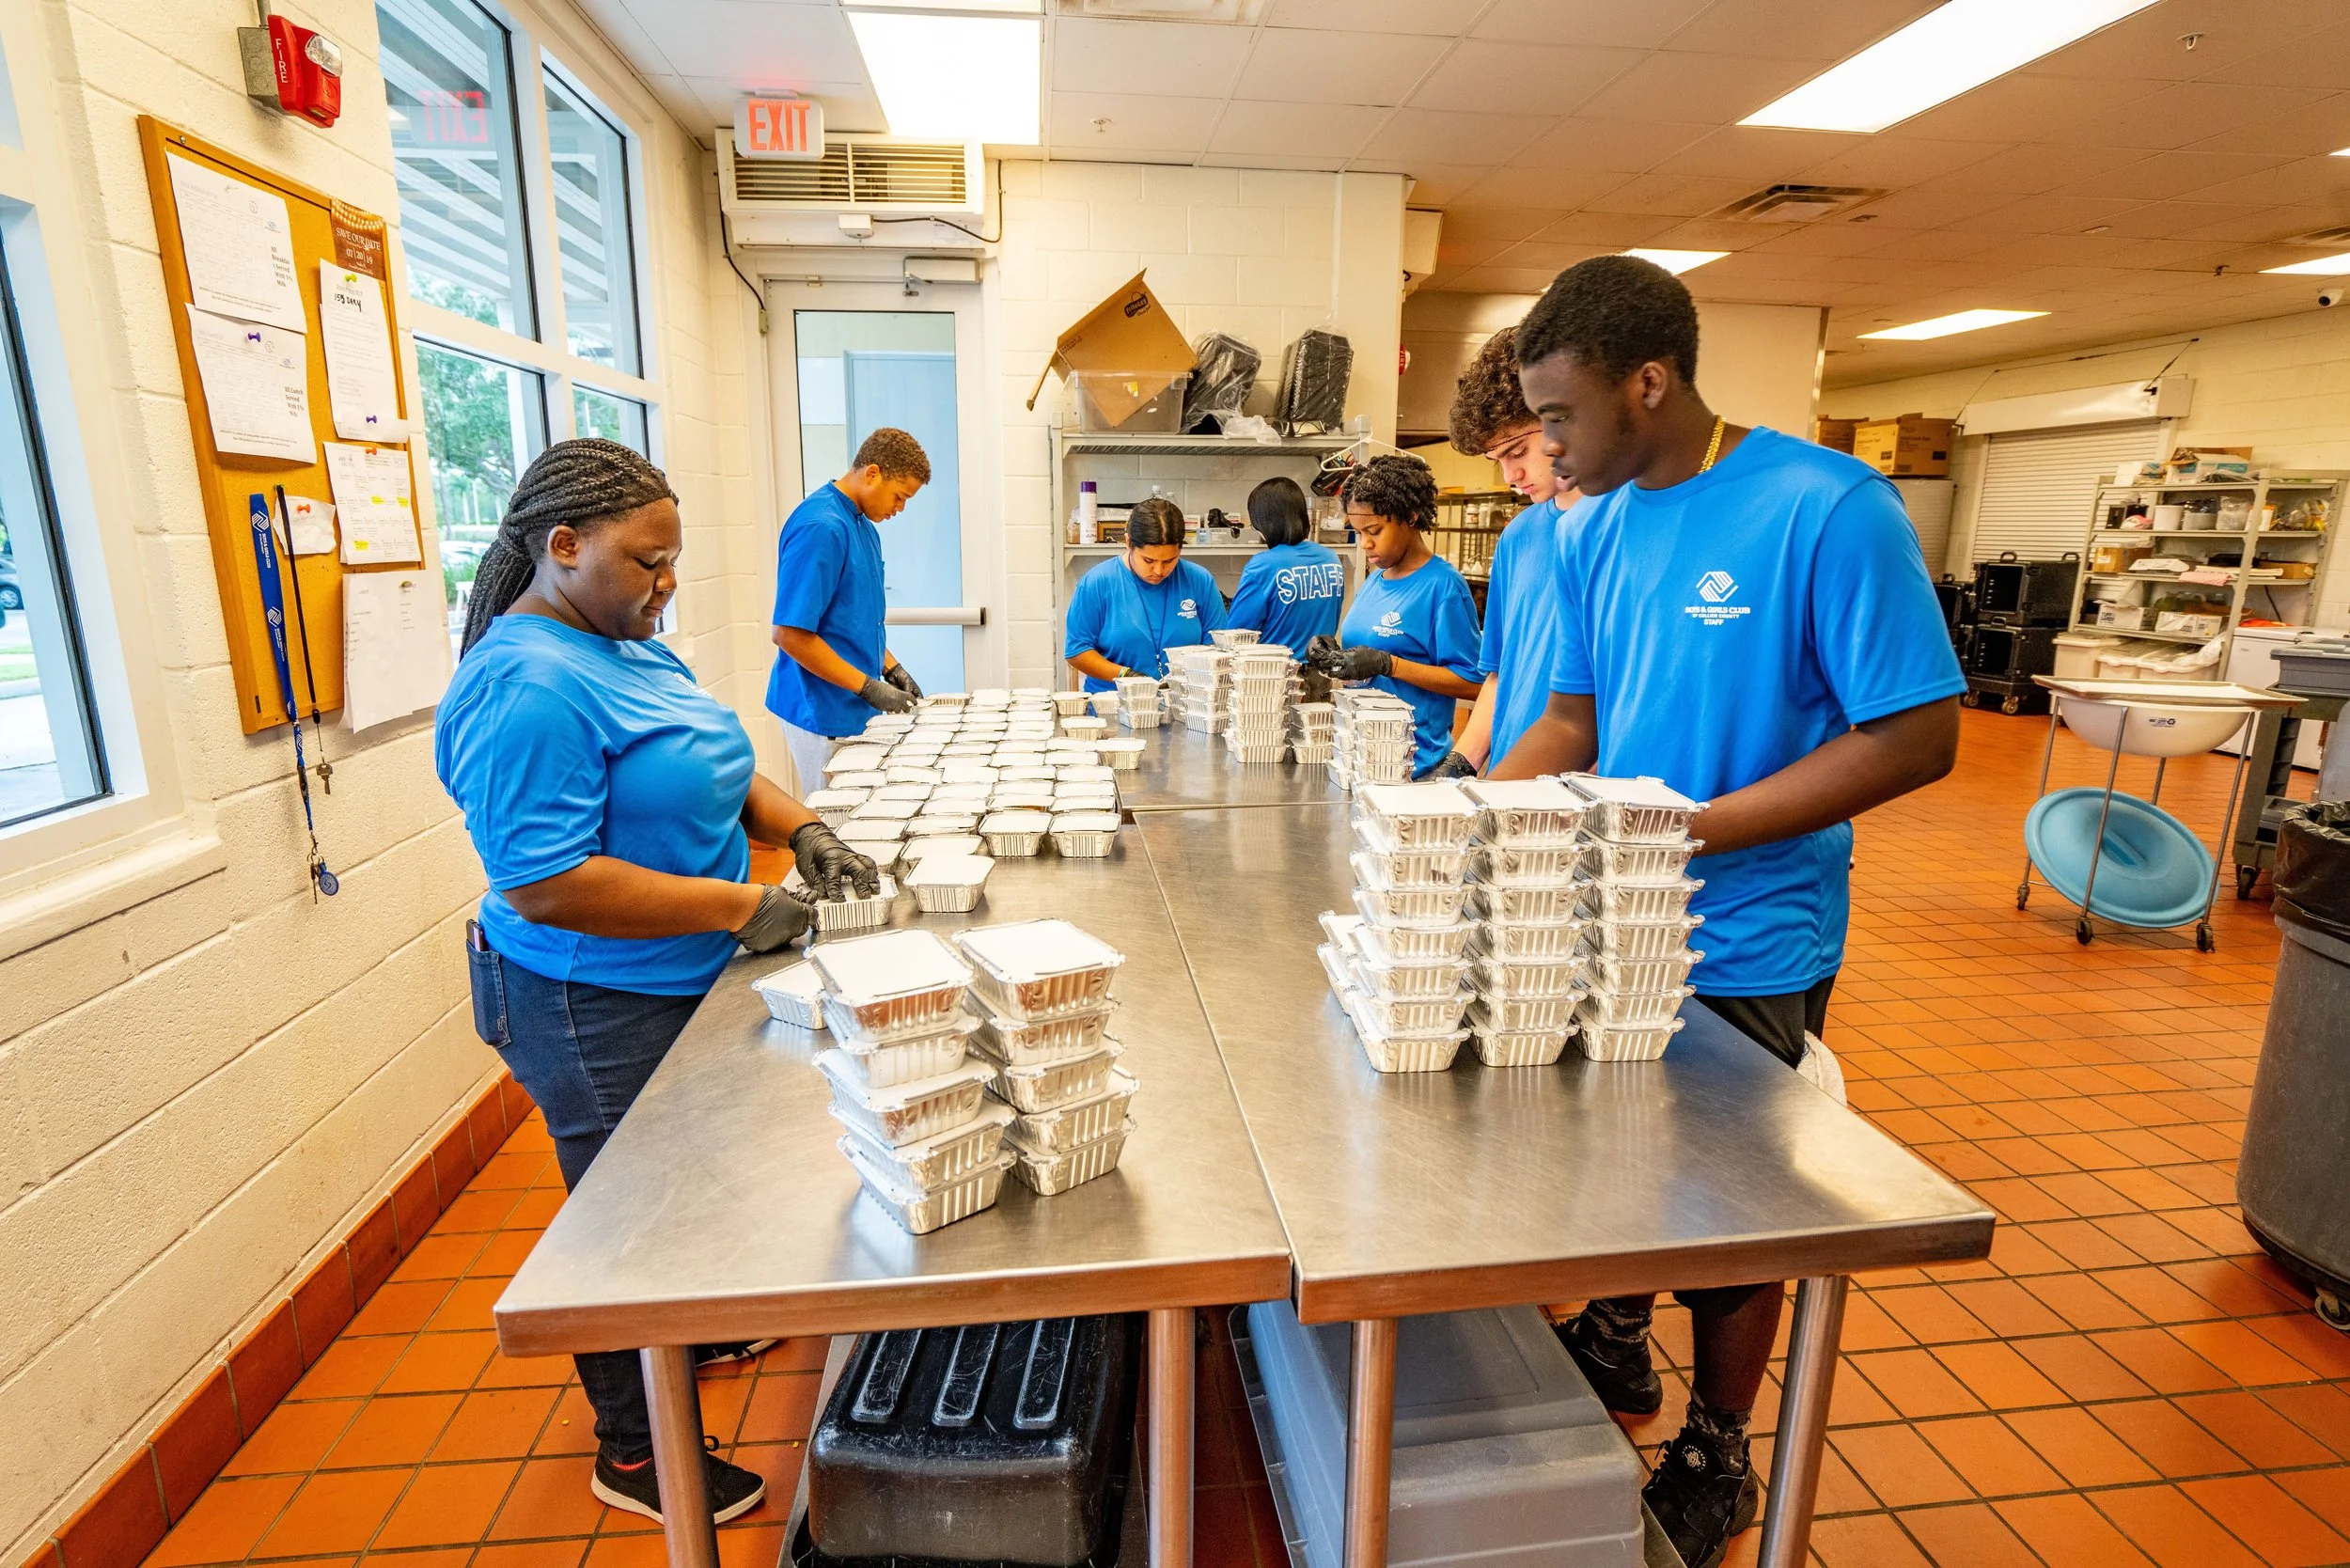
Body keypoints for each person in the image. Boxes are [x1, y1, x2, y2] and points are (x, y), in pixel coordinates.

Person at [1490, 257, 1963, 1568]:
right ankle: (1618, 1330)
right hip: (1615, 912)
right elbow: (1573, 721)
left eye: (1566, 416)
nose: (1552, 448)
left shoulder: (1826, 507)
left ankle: (1720, 1440)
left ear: (1651, 382)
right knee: (1616, 1148)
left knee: (1733, 1203)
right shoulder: (1597, 529)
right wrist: (1455, 804)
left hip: (1752, 930)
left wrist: (1695, 828)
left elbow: (1918, 735)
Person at [439, 439, 882, 1528]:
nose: (667, 581)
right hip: (589, 999)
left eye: (673, 558)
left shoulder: (627, 642)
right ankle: (635, 1452)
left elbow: (719, 764)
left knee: (686, 1187)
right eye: (648, 561)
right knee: (625, 1219)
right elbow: (545, 882)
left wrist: (804, 827)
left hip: (675, 976)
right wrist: (737, 906)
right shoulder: (527, 684)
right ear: (563, 546)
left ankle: (692, 1331)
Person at [1436, 325, 1581, 777]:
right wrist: (1460, 763)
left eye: (1518, 450)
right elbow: (1501, 673)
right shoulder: (1519, 537)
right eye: (1497, 460)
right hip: (1510, 778)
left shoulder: (1630, 531)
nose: (1510, 476)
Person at [768, 427, 932, 794]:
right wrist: (869, 687)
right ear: (872, 473)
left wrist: (892, 668)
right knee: (836, 827)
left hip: (851, 702)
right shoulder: (821, 527)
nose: (899, 509)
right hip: (822, 708)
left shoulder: (863, 525)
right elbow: (789, 634)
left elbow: (854, 619)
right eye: (899, 496)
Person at [1302, 454, 1482, 778]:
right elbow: (1369, 658)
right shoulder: (1375, 580)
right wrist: (1334, 655)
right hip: (1360, 757)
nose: (1365, 544)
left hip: (1413, 768)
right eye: (1357, 533)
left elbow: (1475, 683)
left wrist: (1390, 664)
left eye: (1374, 530)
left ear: (1410, 517)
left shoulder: (1442, 587)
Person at [1064, 496, 1227, 689]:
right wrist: (1126, 676)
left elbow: (1218, 646)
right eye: (1148, 561)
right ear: (1128, 543)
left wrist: (1185, 676)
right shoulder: (1097, 583)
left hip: (1183, 704)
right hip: (1114, 702)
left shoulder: (1199, 581)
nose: (1159, 571)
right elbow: (1077, 651)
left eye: (1169, 561)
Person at [1224, 476, 1345, 652]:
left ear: (1266, 524)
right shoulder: (1331, 559)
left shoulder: (1262, 565)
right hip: (1322, 672)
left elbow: (1236, 634)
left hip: (1274, 674)